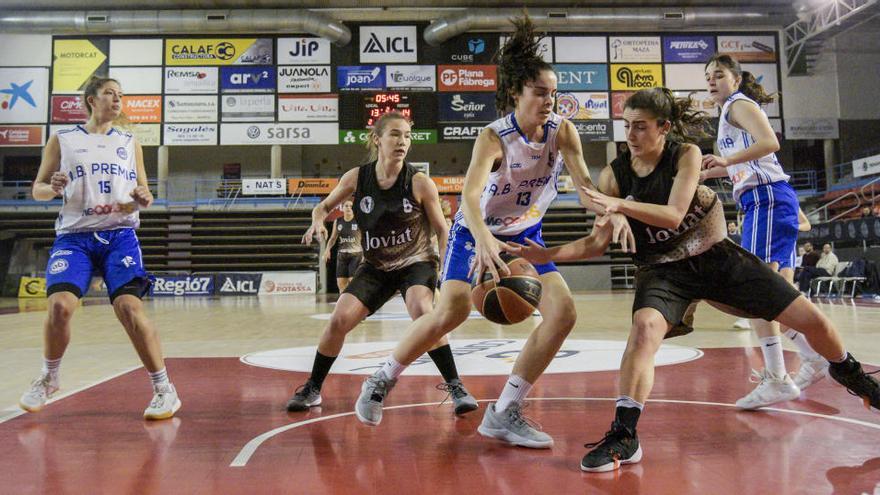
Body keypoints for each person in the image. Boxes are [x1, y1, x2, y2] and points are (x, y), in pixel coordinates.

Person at [516, 87, 880, 473]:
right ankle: (625, 435)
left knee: (813, 321)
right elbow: (596, 242)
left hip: (717, 258)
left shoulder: (684, 155)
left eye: (641, 127)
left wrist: (621, 206)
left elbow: (673, 214)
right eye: (627, 126)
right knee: (643, 331)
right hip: (662, 269)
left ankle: (853, 375)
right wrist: (547, 255)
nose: (631, 136)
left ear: (664, 128)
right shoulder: (615, 176)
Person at [351, 16, 635, 447]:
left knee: (564, 313)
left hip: (526, 234)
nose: (549, 101)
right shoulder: (494, 137)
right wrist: (483, 237)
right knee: (452, 312)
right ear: (517, 93)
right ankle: (381, 378)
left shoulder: (564, 132)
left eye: (553, 93)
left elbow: (586, 189)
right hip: (474, 231)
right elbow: (468, 196)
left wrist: (612, 210)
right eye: (540, 93)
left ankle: (504, 411)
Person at [286, 112, 478, 415]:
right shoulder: (356, 178)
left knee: (422, 310)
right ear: (377, 139)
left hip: (416, 262)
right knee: (339, 320)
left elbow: (443, 230)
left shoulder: (419, 182)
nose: (403, 141)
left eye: (407, 136)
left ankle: (456, 386)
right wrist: (317, 221)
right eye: (395, 135)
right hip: (376, 266)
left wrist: (443, 272)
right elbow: (322, 207)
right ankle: (312, 387)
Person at [19, 76, 180, 420]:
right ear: (92, 100)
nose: (117, 99)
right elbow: (38, 190)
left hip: (119, 234)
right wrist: (54, 187)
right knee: (60, 306)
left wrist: (143, 197)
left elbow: (144, 191)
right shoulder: (63, 139)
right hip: (75, 236)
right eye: (110, 93)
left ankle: (164, 389)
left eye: (121, 94)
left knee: (128, 308)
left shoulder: (128, 140)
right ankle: (49, 377)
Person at [701, 53, 824, 404]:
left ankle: (778, 375)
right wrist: (712, 172)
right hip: (766, 200)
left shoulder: (739, 104)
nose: (712, 80)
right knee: (779, 296)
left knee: (754, 290)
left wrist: (725, 160)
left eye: (719, 75)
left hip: (766, 199)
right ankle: (812, 357)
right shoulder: (728, 112)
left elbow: (770, 143)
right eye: (708, 75)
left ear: (736, 80)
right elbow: (750, 159)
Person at [323, 199, 362, 293]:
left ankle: (357, 304)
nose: (349, 208)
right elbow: (333, 238)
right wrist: (327, 250)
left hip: (356, 255)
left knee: (353, 281)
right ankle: (344, 305)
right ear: (342, 208)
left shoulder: (358, 220)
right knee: (341, 283)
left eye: (351, 206)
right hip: (342, 256)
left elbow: (365, 238)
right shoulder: (338, 221)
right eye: (346, 206)